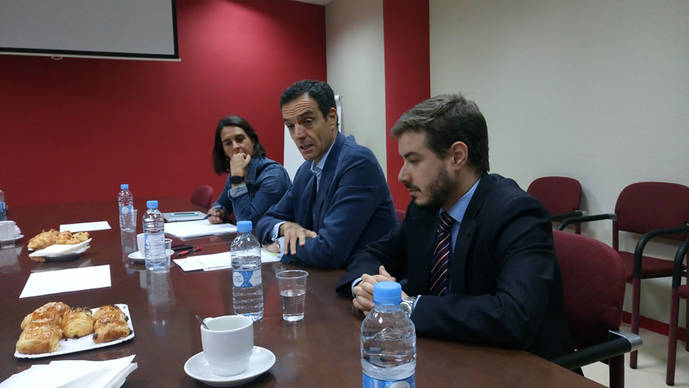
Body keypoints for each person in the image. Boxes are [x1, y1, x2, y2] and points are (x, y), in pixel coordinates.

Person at [337, 93, 574, 361]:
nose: (402, 175)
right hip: (443, 356)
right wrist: (364, 287)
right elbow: (373, 254)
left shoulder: (518, 214)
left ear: (457, 156)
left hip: (521, 368)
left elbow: (514, 316)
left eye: (414, 160)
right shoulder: (425, 209)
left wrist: (407, 307)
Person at [255, 80, 398, 269]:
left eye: (307, 122)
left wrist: (280, 244)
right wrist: (284, 228)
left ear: (331, 117)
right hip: (324, 280)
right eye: (290, 126)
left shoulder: (357, 162)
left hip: (363, 286)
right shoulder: (306, 172)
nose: (298, 135)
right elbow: (263, 221)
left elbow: (329, 250)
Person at [208, 115, 291, 226]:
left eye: (240, 139)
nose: (235, 146)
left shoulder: (273, 174)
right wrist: (218, 211)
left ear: (252, 140)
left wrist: (237, 178)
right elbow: (221, 203)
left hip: (276, 241)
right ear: (223, 150)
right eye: (228, 143)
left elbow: (247, 224)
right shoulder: (236, 170)